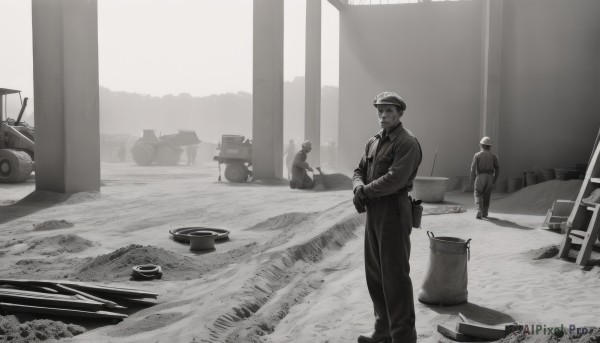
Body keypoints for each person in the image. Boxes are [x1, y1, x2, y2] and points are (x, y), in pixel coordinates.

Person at [352, 92, 422, 343]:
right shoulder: (373, 141)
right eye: (380, 111)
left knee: (395, 276)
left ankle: (403, 336)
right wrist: (358, 188)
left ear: (400, 113)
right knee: (376, 274)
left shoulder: (406, 142)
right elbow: (359, 169)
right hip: (374, 211)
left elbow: (395, 179)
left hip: (394, 209)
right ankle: (383, 330)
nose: (383, 115)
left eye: (389, 111)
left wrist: (365, 192)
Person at [470, 136, 500, 219]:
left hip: (480, 176)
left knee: (478, 193)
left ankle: (479, 209)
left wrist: (472, 177)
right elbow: (497, 168)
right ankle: (485, 212)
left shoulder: (477, 155)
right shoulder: (494, 156)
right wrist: (495, 179)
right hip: (490, 177)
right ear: (489, 146)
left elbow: (473, 167)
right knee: (487, 195)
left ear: (481, 145)